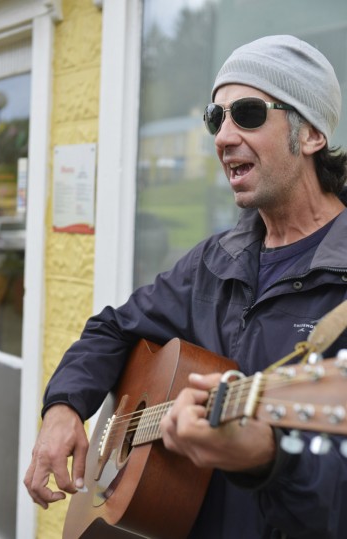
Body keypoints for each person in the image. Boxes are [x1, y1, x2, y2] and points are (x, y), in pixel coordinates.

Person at [25, 35, 347, 539]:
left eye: (248, 113)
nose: (223, 137)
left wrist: (267, 458)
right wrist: (63, 407)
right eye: (216, 119)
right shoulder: (216, 260)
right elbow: (112, 327)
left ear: (311, 135)